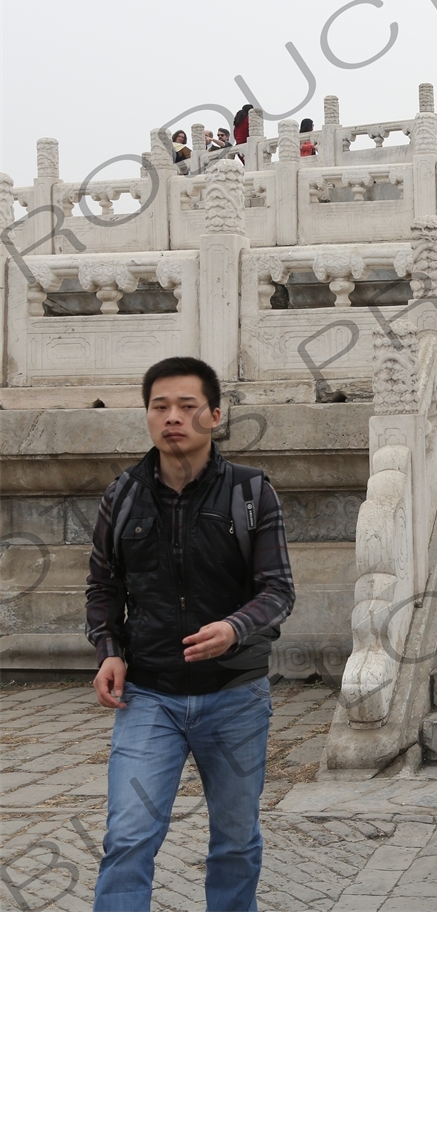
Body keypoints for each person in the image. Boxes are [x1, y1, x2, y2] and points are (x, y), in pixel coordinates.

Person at [86, 356, 296, 911]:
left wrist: (234, 628)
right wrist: (109, 651)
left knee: (234, 840)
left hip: (234, 695)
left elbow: (278, 590)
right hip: (148, 694)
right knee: (128, 837)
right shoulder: (122, 495)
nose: (172, 417)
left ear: (215, 416)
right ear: (148, 416)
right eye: (160, 406)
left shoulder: (251, 494)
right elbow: (103, 588)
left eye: (187, 406)